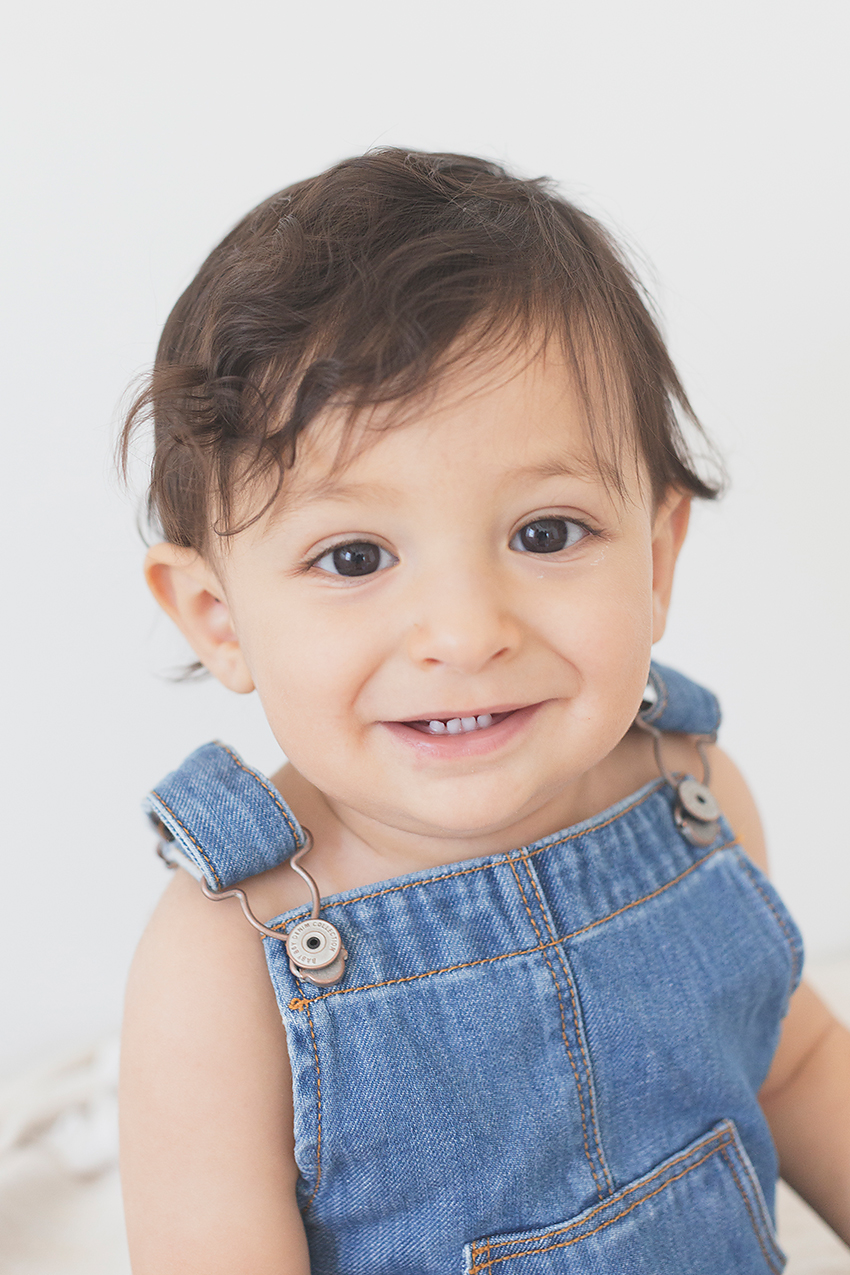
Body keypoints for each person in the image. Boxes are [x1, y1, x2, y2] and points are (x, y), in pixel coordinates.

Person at [118, 150, 850, 1274]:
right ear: (217, 617)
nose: (465, 632)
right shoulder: (226, 960)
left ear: (655, 558)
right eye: (354, 555)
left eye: (545, 534)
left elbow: (788, 1063)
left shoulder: (689, 796)